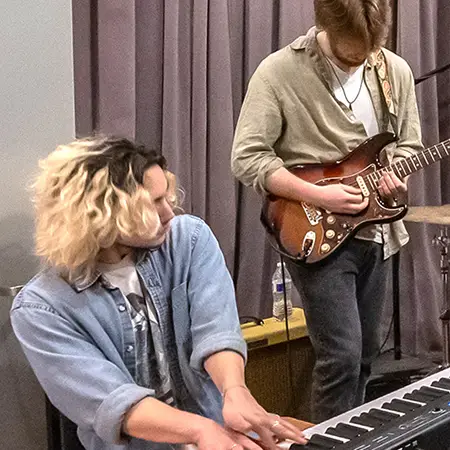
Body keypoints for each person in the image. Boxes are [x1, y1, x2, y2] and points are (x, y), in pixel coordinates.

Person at [11, 136, 306, 450]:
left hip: (217, 433)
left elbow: (216, 331)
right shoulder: (41, 309)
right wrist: (199, 431)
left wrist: (235, 391)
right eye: (152, 204)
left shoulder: (188, 240)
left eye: (166, 197)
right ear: (100, 213)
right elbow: (113, 402)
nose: (169, 213)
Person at [231, 0, 423, 423]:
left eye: (369, 51)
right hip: (315, 232)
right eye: (350, 52)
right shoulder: (279, 72)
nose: (360, 60)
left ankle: (351, 435)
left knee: (366, 354)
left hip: (378, 231)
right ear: (324, 25)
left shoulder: (395, 72)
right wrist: (319, 196)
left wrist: (397, 177)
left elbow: (407, 144)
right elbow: (247, 158)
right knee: (341, 355)